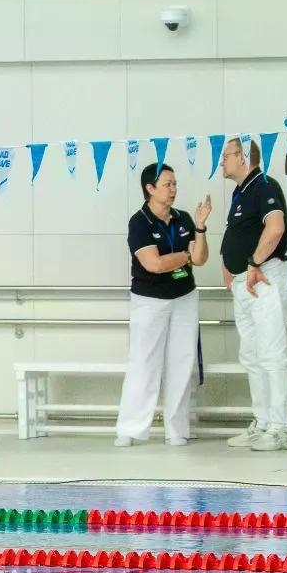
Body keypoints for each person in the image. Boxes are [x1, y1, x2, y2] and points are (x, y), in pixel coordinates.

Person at [116, 163, 210, 448]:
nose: (173, 189)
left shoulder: (182, 219)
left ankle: (176, 428)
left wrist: (201, 226)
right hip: (149, 300)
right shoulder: (139, 222)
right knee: (143, 362)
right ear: (150, 188)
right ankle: (131, 428)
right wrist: (185, 255)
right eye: (167, 184)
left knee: (182, 362)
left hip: (184, 297)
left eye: (174, 183)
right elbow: (153, 264)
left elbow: (201, 258)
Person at [220, 137, 287, 451]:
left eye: (225, 156)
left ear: (243, 156)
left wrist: (252, 262)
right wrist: (233, 271)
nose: (221, 161)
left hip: (263, 277)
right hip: (244, 282)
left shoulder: (264, 185)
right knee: (251, 355)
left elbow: (275, 228)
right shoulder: (241, 192)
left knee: (271, 354)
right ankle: (262, 422)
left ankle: (281, 427)